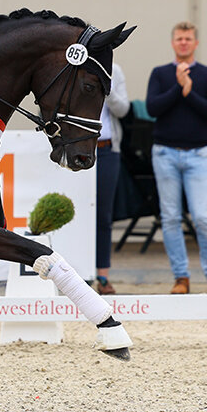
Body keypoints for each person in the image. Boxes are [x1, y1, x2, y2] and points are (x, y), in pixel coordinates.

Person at [146, 22, 207, 294]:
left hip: (198, 155)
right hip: (165, 153)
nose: (183, 42)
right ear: (172, 43)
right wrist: (177, 88)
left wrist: (190, 91)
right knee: (170, 217)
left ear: (196, 43)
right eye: (179, 38)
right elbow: (152, 108)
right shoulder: (159, 73)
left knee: (203, 216)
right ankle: (181, 277)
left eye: (188, 38)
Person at [94, 62, 130, 294]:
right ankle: (73, 275)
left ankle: (102, 275)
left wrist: (108, 89)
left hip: (106, 149)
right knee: (75, 215)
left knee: (103, 216)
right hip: (74, 150)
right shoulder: (68, 65)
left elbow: (123, 110)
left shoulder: (114, 70)